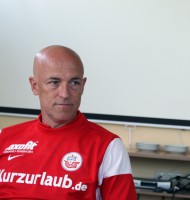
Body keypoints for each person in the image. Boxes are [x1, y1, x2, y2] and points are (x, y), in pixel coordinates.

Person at [0, 45, 137, 199]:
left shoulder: (108, 146)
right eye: (54, 82)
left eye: (74, 83)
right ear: (34, 86)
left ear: (83, 86)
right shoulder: (4, 137)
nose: (65, 94)